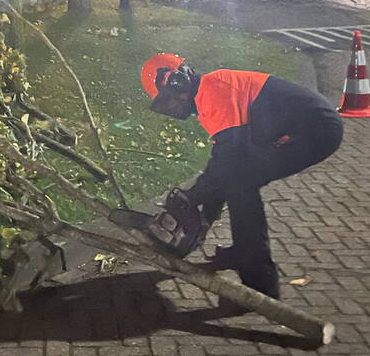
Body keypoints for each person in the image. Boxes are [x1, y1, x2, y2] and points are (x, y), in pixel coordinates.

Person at [140, 53, 344, 299]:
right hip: (300, 127)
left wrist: (193, 198)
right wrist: (203, 213)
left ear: (177, 82)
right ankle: (243, 254)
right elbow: (225, 160)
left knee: (241, 185)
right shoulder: (208, 95)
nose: (173, 106)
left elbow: (228, 159)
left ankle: (260, 285)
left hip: (314, 130)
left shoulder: (214, 90)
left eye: (169, 99)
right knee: (238, 179)